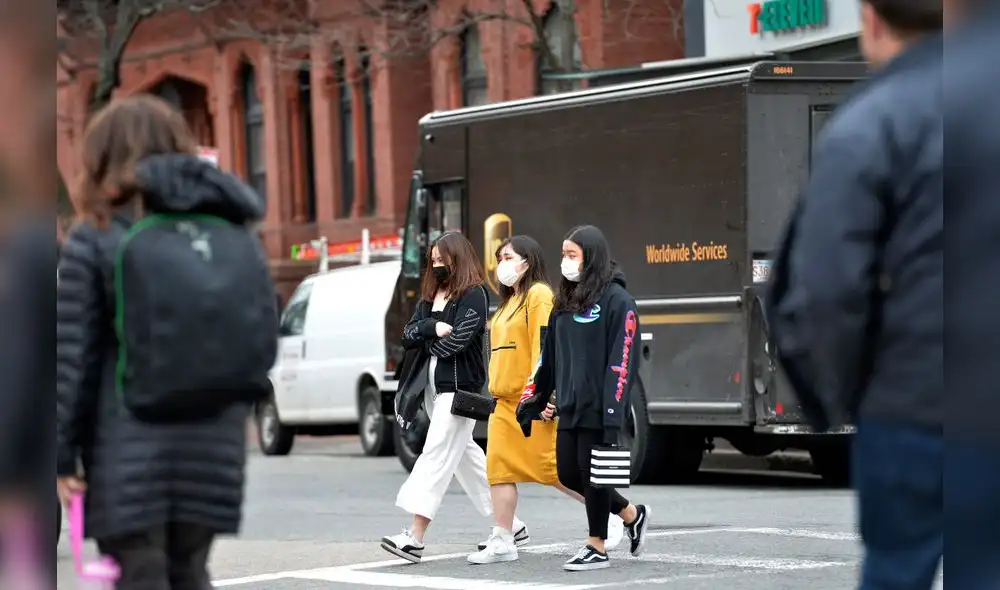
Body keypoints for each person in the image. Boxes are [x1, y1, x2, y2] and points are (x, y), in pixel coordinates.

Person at [56, 95, 271, 589]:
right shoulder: (230, 227)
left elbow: (73, 359)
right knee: (190, 571)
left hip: (126, 447)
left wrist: (62, 455)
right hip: (214, 447)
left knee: (141, 575)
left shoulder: (97, 235)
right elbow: (261, 335)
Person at [766, 1, 943, 588]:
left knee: (898, 569)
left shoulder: (870, 123)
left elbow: (824, 290)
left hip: (913, 400)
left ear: (870, 20)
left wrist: (837, 398)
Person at [468, 236, 623, 565]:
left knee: (555, 470)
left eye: (508, 257)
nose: (501, 264)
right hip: (502, 403)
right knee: (499, 470)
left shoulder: (537, 295)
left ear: (527, 262)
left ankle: (615, 513)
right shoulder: (508, 301)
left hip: (528, 401)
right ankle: (502, 538)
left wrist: (543, 394)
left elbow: (546, 348)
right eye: (500, 258)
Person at [516, 225, 650, 572]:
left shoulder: (618, 301)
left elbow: (622, 361)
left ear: (591, 257)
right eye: (563, 254)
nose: (565, 261)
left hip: (600, 406)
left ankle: (596, 545)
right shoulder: (564, 301)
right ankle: (631, 515)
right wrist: (534, 399)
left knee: (594, 475)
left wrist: (613, 412)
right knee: (568, 473)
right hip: (570, 404)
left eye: (572, 254)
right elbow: (549, 356)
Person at [382, 231, 495, 563]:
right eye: (432, 260)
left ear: (457, 258)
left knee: (436, 453)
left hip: (460, 391)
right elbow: (407, 335)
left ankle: (415, 537)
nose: (435, 266)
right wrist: (431, 328)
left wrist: (426, 338)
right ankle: (510, 525)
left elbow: (457, 343)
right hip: (432, 390)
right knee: (465, 458)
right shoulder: (431, 296)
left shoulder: (475, 294)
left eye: (441, 260)